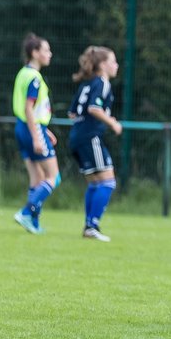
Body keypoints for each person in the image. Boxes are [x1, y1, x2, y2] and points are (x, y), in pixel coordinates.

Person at [66, 46, 122, 241]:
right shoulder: (102, 83)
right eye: (113, 61)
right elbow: (94, 108)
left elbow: (72, 113)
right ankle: (92, 225)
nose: (116, 65)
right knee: (108, 181)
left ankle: (89, 226)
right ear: (103, 65)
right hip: (90, 137)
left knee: (95, 182)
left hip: (76, 137)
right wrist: (112, 122)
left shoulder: (86, 84)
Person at [11, 33, 59, 234]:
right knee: (53, 177)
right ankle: (26, 212)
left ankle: (33, 223)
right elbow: (29, 108)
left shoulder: (23, 73)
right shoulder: (35, 78)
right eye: (46, 50)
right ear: (35, 53)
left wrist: (43, 130)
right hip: (32, 128)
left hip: (22, 127)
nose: (50, 54)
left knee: (37, 178)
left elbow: (28, 110)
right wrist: (38, 135)